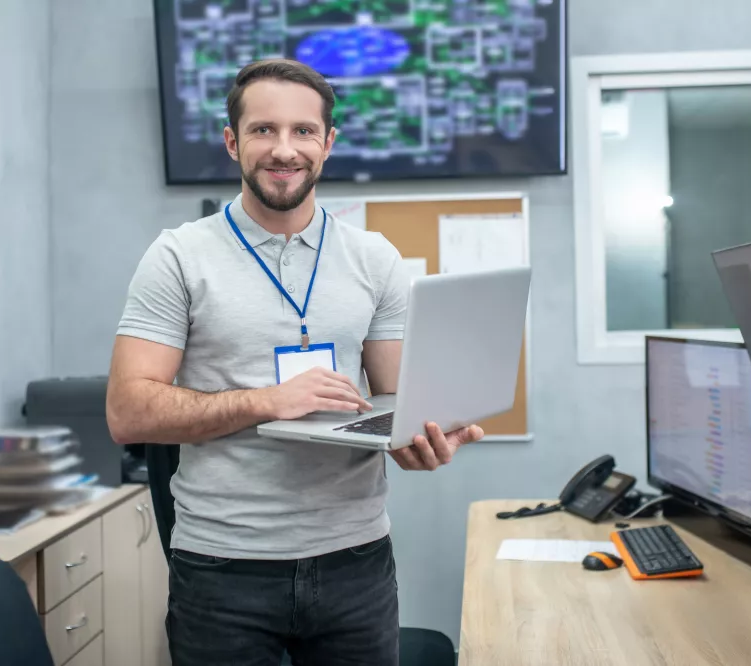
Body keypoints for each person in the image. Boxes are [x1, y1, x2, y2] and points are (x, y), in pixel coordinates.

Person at [105, 58, 484, 666]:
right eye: (263, 130)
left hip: (356, 563)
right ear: (233, 142)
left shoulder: (375, 258)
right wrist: (266, 401)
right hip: (222, 569)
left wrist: (423, 438)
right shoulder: (177, 256)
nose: (284, 150)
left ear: (328, 143)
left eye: (304, 131)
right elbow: (128, 411)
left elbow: (393, 401)